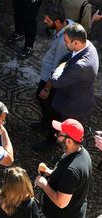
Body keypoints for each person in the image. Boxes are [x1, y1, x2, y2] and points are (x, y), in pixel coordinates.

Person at [32, 23, 99, 152]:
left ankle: (52, 143)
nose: (64, 43)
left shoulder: (80, 66)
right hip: (75, 95)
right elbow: (69, 57)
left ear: (76, 43)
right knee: (54, 117)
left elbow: (56, 81)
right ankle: (47, 127)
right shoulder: (88, 45)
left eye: (66, 41)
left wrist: (59, 67)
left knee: (65, 127)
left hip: (73, 105)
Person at [29, 6, 73, 133]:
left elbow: (58, 67)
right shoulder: (69, 22)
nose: (45, 22)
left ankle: (50, 129)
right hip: (50, 75)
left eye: (47, 20)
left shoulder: (63, 43)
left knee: (45, 101)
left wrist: (47, 88)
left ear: (58, 22)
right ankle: (46, 123)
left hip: (51, 78)